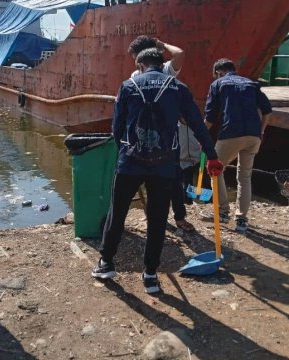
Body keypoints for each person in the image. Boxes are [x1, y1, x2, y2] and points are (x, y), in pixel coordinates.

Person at [91, 48, 223, 294]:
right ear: (162, 64)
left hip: (130, 162)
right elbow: (197, 124)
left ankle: (106, 263)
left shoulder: (128, 86)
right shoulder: (178, 88)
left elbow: (117, 128)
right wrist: (212, 156)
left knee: (117, 212)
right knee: (158, 218)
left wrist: (125, 153)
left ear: (139, 64)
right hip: (164, 165)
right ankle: (150, 274)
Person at [128, 35, 197, 231]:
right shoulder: (134, 76)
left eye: (135, 56)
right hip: (146, 135)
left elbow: (180, 54)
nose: (134, 61)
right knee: (151, 178)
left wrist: (162, 45)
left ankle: (179, 217)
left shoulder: (165, 69)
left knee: (173, 178)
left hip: (167, 137)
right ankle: (155, 216)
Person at [203, 58, 273, 233]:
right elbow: (267, 111)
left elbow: (211, 117)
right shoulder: (251, 83)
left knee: (214, 169)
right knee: (245, 177)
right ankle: (241, 219)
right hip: (254, 135)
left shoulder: (218, 84)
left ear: (219, 72)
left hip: (231, 133)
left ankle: (223, 212)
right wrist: (262, 131)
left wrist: (202, 134)